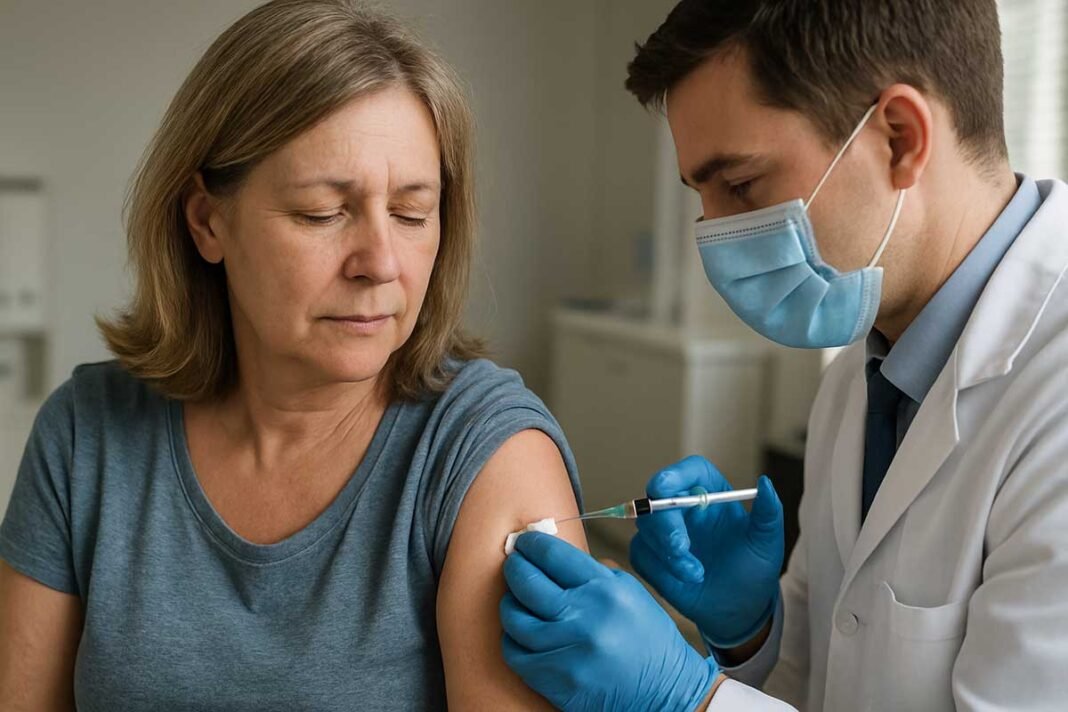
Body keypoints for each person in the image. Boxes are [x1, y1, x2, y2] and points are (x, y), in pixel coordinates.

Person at [0, 1, 586, 710]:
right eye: (322, 212)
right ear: (208, 221)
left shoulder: (484, 454)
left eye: (411, 212)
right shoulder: (85, 434)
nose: (380, 262)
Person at [501, 0, 1068, 709]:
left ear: (897, 137)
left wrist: (685, 698)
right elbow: (829, 677)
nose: (713, 235)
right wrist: (752, 632)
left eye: (739, 185)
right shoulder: (867, 367)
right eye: (703, 196)